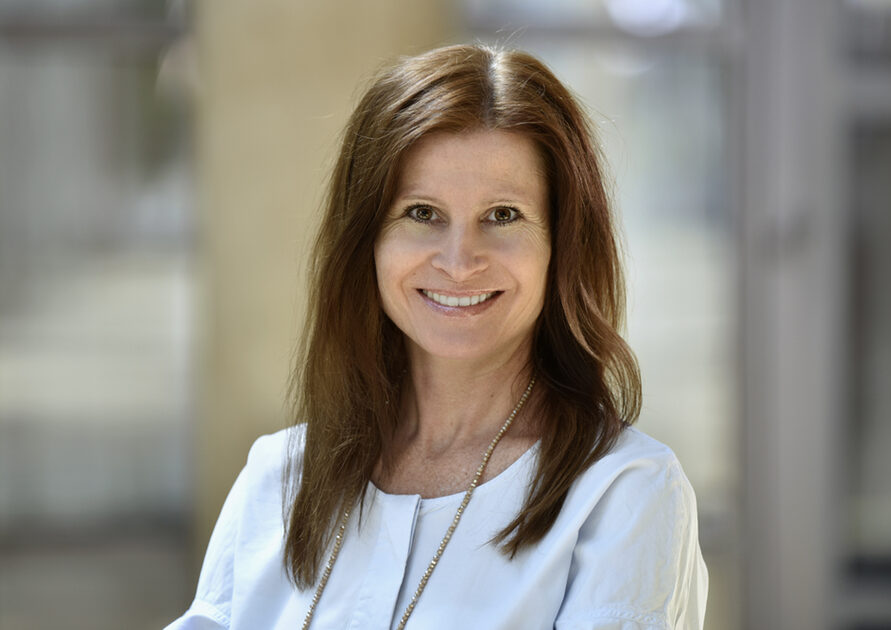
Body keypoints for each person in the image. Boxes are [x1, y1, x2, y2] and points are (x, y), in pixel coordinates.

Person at [167, 43, 708, 630]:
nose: (458, 261)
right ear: (367, 241)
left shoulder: (624, 497)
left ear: (562, 247)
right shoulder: (278, 479)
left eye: (503, 215)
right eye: (422, 213)